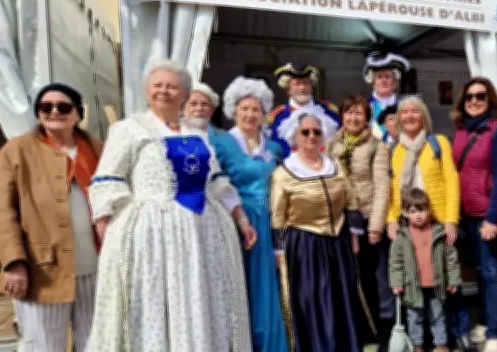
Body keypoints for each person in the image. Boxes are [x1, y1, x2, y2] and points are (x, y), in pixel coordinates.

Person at [86, 59, 257, 351]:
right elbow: (107, 180)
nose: (164, 91)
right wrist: (107, 229)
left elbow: (216, 181)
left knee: (200, 297)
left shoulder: (198, 133)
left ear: (183, 94)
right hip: (153, 233)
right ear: (146, 91)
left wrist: (241, 220)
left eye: (172, 86)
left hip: (202, 232)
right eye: (158, 85)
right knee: (154, 300)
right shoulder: (128, 129)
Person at [0, 83, 102, 352]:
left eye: (63, 106)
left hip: (96, 267)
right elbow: (2, 212)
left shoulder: (96, 148)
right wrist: (13, 262)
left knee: (98, 343)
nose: (54, 111)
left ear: (77, 113)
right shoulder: (17, 150)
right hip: (42, 269)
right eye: (46, 107)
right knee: (43, 345)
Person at [270, 104, 372, 352]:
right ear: (295, 136)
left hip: (337, 241)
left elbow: (350, 200)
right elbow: (277, 215)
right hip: (305, 243)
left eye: (316, 132)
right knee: (313, 298)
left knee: (341, 295)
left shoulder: (334, 166)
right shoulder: (284, 173)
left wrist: (355, 234)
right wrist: (279, 250)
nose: (311, 137)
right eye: (305, 132)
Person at [383, 96, 470, 351]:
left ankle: (454, 335)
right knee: (416, 279)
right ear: (399, 119)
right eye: (405, 112)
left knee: (446, 282)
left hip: (437, 223)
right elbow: (389, 188)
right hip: (408, 224)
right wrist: (390, 219)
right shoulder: (394, 149)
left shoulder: (438, 143)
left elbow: (452, 182)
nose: (410, 116)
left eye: (415, 112)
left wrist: (451, 220)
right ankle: (421, 342)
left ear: (423, 116)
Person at [209, 77, 288, 352]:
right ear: (234, 110)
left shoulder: (274, 148)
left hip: (268, 223)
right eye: (245, 108)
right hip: (234, 220)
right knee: (236, 283)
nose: (250, 114)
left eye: (256, 109)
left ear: (264, 113)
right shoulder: (219, 143)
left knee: (265, 288)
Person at [327, 95, 392, 351]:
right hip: (337, 221)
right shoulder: (332, 143)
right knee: (341, 277)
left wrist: (376, 225)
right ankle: (347, 330)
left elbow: (382, 187)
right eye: (349, 113)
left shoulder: (376, 146)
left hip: (363, 220)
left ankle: (370, 334)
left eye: (359, 114)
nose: (353, 118)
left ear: (367, 119)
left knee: (366, 278)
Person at [450, 77, 497, 352]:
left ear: (490, 100)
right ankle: (485, 322)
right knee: (479, 271)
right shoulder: (460, 131)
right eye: (469, 97)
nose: (474, 101)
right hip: (466, 214)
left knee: (492, 271)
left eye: (481, 96)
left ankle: (495, 334)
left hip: (487, 212)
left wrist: (493, 217)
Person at [389, 188, 462, 352]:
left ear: (429, 210)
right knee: (414, 317)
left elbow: (450, 259)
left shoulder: (439, 233)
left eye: (421, 209)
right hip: (412, 287)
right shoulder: (402, 237)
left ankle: (441, 344)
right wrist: (397, 283)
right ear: (406, 213)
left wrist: (453, 280)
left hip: (436, 285)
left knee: (438, 315)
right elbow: (395, 263)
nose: (418, 215)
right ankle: (417, 345)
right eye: (413, 211)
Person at [268, 63, 340, 158]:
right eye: (297, 84)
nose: (302, 88)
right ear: (288, 90)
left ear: (312, 87)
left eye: (306, 83)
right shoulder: (276, 117)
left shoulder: (329, 112)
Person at [363, 52, 410, 139]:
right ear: (373, 83)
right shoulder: (365, 107)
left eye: (387, 76)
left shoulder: (405, 107)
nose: (383, 81)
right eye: (379, 77)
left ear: (395, 83)